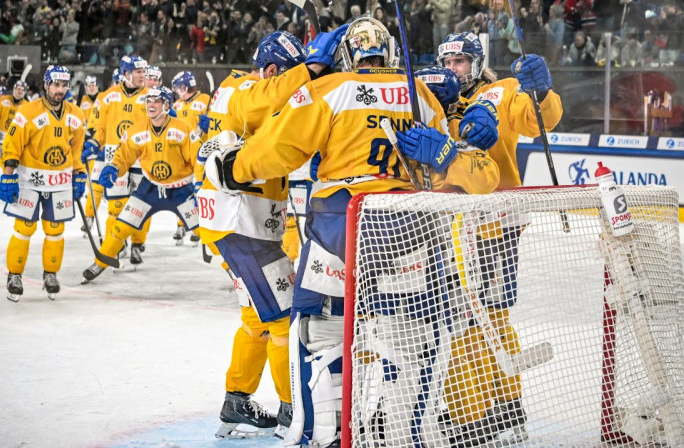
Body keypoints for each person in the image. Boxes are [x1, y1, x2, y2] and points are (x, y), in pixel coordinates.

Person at [205, 18, 500, 448]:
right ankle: (403, 435)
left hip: (339, 223)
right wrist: (453, 145)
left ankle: (326, 433)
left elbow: (277, 148)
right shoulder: (419, 93)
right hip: (410, 224)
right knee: (412, 340)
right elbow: (482, 175)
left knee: (320, 334)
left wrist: (235, 167)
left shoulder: (331, 88)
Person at [197, 27, 347, 440]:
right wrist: (313, 69)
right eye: (289, 71)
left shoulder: (260, 97)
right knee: (283, 318)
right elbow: (270, 99)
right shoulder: (240, 88)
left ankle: (236, 400)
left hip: (245, 224)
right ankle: (290, 409)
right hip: (239, 225)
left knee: (256, 318)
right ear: (269, 68)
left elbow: (283, 128)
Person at [436, 31, 563, 443]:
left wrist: (541, 92)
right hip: (455, 227)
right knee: (491, 318)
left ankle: (468, 418)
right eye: (447, 61)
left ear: (476, 63)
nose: (452, 69)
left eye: (460, 62)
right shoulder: (435, 97)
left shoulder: (500, 91)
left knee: (466, 323)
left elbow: (538, 119)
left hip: (493, 225)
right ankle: (506, 409)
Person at [82, 86, 200, 281]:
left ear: (167, 104)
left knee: (206, 229)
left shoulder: (182, 128)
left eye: (156, 101)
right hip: (150, 187)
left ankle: (233, 268)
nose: (151, 105)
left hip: (180, 188)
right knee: (121, 227)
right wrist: (114, 167)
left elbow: (198, 158)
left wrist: (202, 182)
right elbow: (123, 156)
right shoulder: (136, 130)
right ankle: (101, 261)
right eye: (149, 100)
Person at [0, 65, 85, 302]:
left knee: (55, 230)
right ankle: (14, 275)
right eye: (56, 84)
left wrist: (79, 173)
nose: (60, 90)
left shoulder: (76, 114)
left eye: (64, 85)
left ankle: (51, 275)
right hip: (29, 180)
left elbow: (77, 149)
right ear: (46, 85)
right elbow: (12, 144)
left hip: (59, 181)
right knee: (24, 228)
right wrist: (8, 175)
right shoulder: (28, 111)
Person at [83, 55, 151, 266]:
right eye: (138, 72)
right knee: (116, 206)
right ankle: (115, 244)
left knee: (141, 204)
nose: (142, 75)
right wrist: (94, 142)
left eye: (143, 71)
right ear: (127, 74)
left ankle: (137, 245)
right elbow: (100, 127)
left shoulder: (151, 96)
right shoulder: (107, 96)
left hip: (142, 155)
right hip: (115, 156)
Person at [170, 70, 210, 246]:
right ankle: (181, 224)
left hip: (202, 155)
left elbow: (218, 124)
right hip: (182, 155)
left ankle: (199, 227)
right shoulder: (177, 105)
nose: (177, 91)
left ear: (185, 86)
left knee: (199, 191)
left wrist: (209, 125)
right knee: (182, 193)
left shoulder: (205, 101)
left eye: (178, 87)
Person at [77, 76, 104, 234]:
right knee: (94, 184)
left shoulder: (104, 99)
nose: (91, 87)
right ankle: (89, 216)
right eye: (89, 85)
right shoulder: (82, 101)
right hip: (89, 143)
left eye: (93, 84)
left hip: (105, 144)